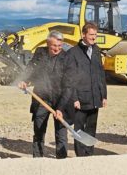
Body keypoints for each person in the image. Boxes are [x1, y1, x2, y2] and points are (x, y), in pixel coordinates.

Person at [18, 30, 68, 159]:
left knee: (61, 132)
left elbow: (69, 83)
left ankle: (61, 159)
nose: (57, 49)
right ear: (47, 44)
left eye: (59, 46)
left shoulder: (66, 57)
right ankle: (38, 159)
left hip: (60, 99)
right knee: (39, 130)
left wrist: (61, 108)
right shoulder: (40, 53)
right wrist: (25, 80)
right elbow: (31, 68)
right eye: (54, 46)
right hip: (41, 97)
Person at [63, 22, 107, 156]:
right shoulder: (72, 53)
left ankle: (89, 154)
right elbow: (69, 79)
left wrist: (103, 95)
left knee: (92, 128)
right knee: (79, 130)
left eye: (95, 35)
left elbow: (100, 74)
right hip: (80, 100)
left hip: (95, 98)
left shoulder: (97, 50)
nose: (94, 38)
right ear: (83, 34)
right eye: (91, 35)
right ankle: (81, 156)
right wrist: (74, 98)